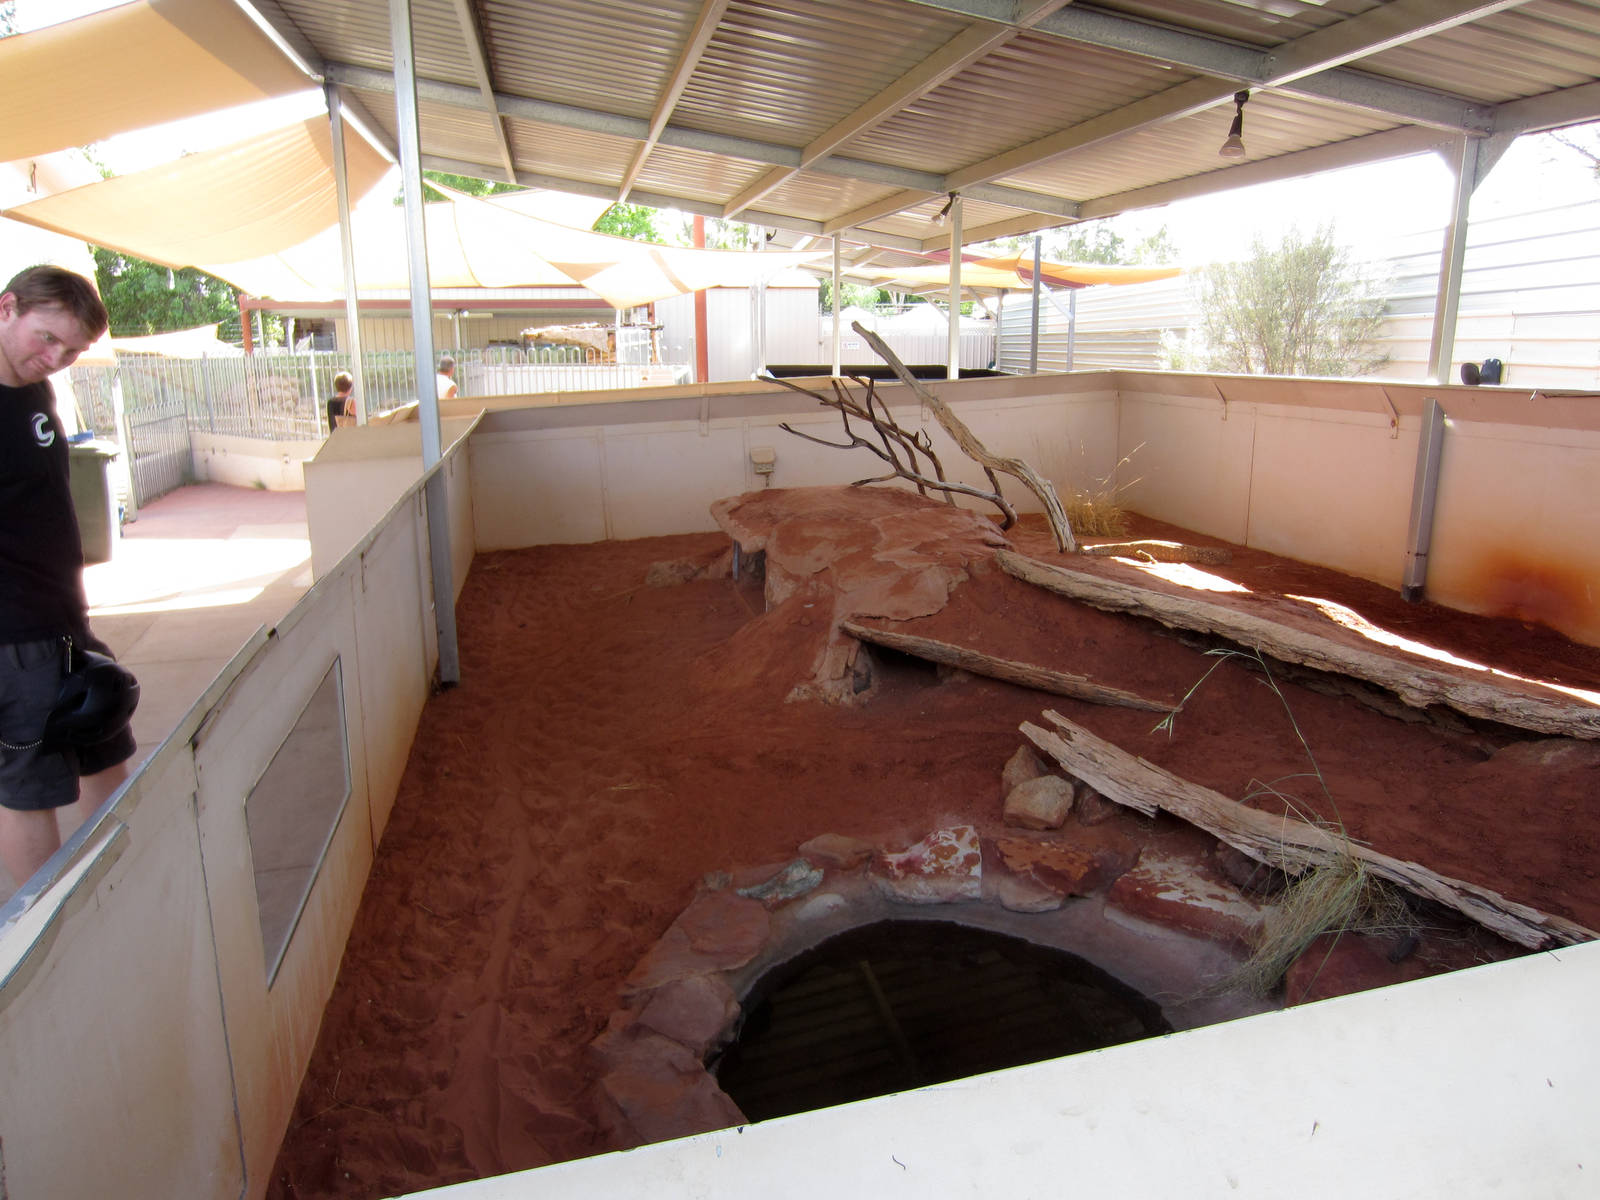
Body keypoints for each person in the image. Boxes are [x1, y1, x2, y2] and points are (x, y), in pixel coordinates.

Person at [0, 265, 136, 887]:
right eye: (48, 338)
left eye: (73, 350)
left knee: (108, 742)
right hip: (13, 635)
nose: (57, 357)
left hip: (62, 618)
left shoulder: (33, 393)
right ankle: (42, 929)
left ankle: (117, 888)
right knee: (32, 788)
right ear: (8, 309)